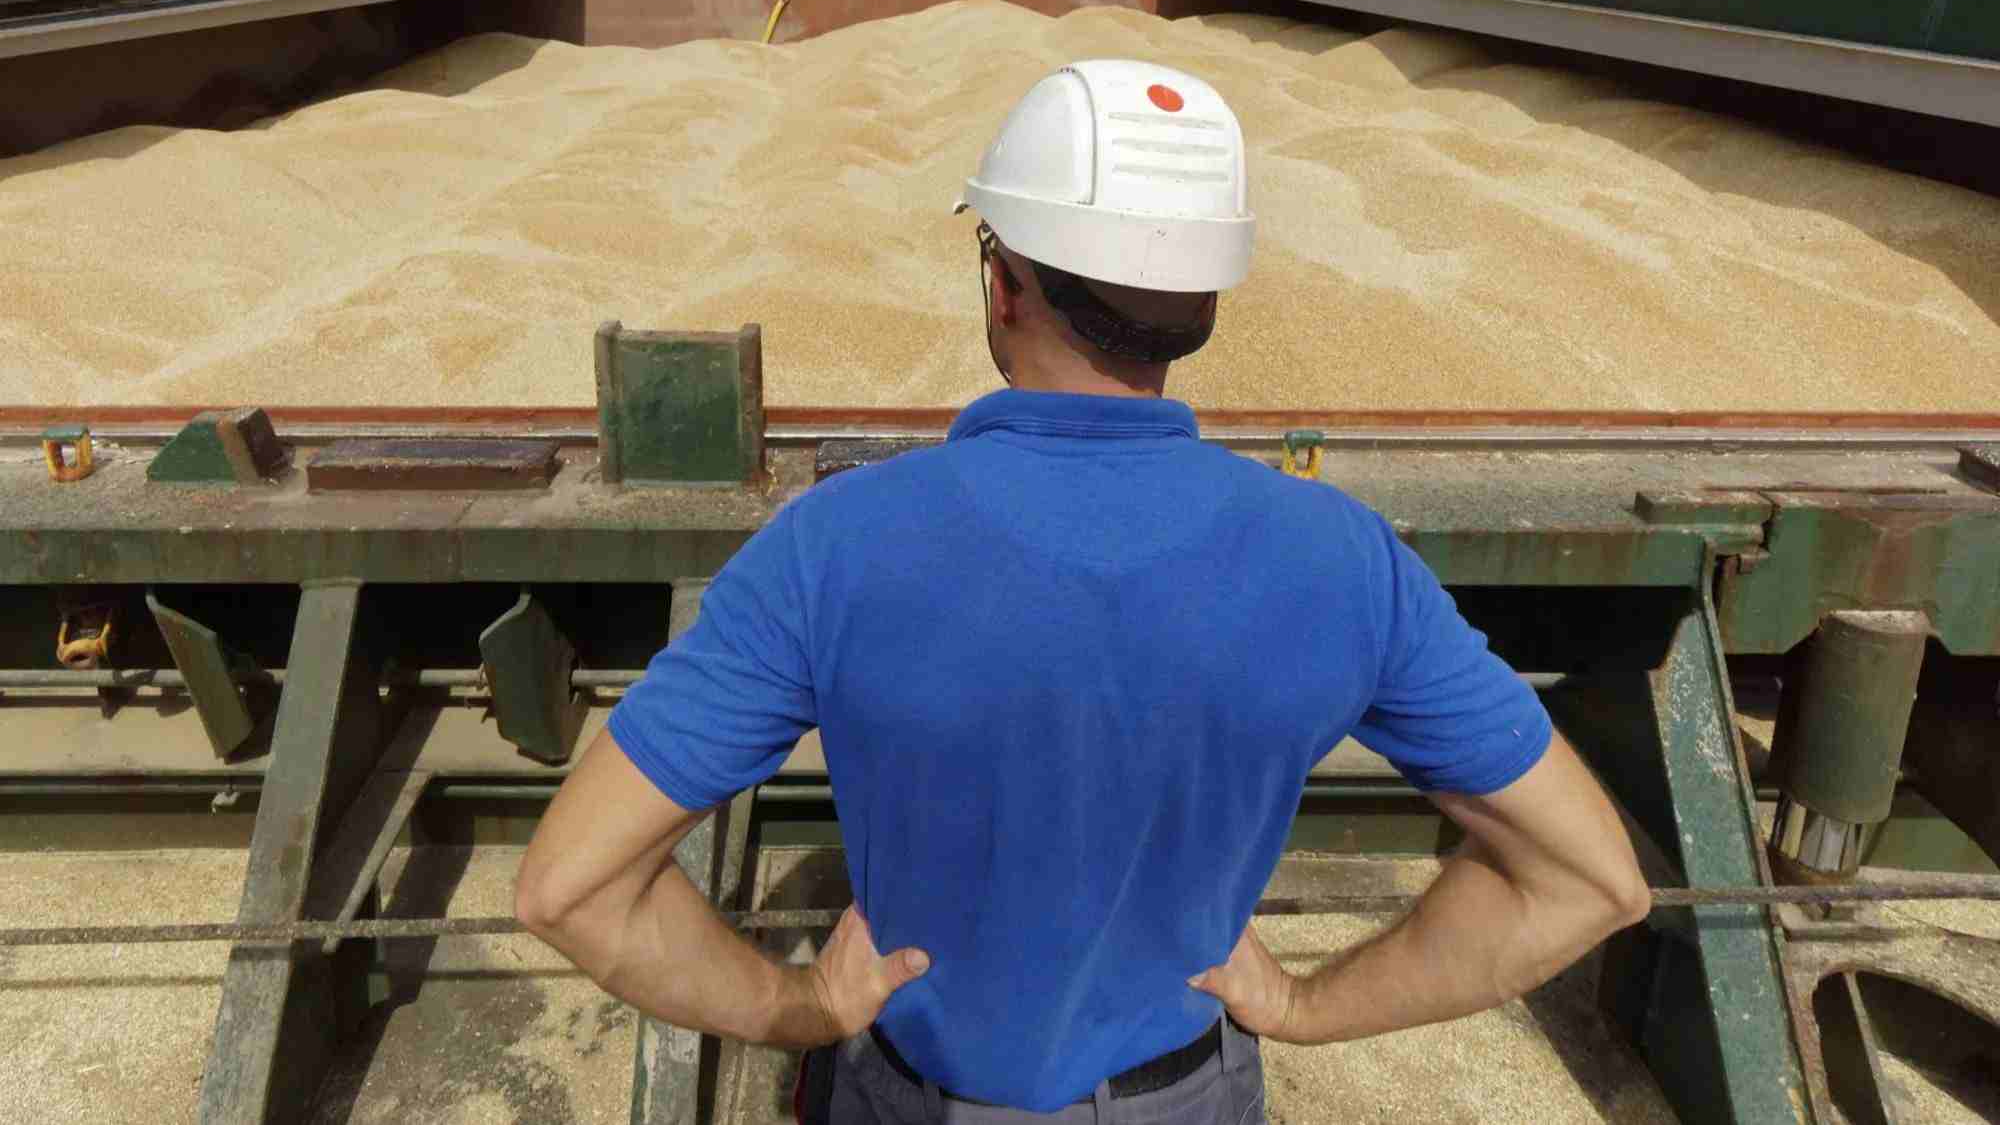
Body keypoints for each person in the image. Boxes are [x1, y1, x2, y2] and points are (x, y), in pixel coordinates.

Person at [516, 59, 1650, 1123]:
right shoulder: (1343, 560)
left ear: (1002, 283)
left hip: (915, 1090)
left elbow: (569, 889)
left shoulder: (833, 546)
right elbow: (1588, 881)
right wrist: (1306, 1004)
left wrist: (801, 1004)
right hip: (1184, 1092)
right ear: (1204, 303)